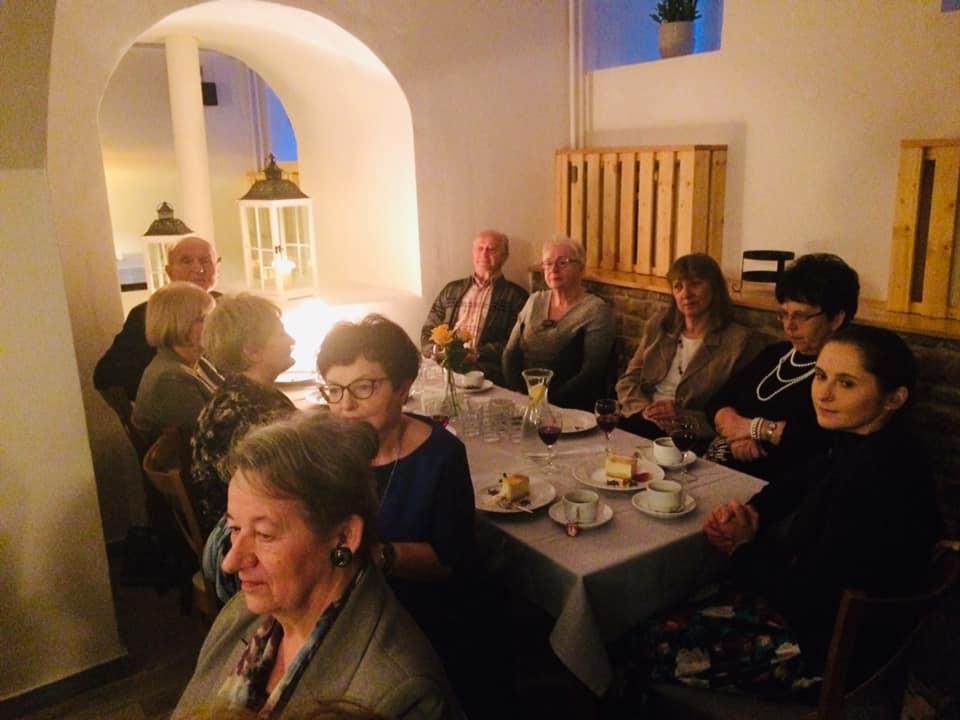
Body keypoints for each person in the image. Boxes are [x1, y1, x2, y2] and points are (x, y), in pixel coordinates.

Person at [631, 326, 941, 699]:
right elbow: (795, 484)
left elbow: (806, 597)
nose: (824, 393)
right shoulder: (859, 440)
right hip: (813, 613)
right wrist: (751, 511)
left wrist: (742, 547)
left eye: (846, 383)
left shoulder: (879, 476)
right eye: (821, 376)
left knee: (640, 639)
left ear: (894, 398)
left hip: (830, 653)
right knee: (658, 602)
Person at [172, 412, 459, 719]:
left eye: (265, 534)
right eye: (234, 528)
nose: (230, 562)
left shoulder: (401, 692)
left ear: (344, 536)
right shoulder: (240, 613)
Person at [316, 315, 496, 716]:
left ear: (403, 387)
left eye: (363, 387)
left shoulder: (441, 455)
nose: (345, 405)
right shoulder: (325, 450)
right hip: (347, 613)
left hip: (426, 615)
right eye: (334, 389)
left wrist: (374, 556)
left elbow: (448, 561)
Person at [704, 253, 860, 481]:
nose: (789, 325)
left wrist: (754, 428)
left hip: (776, 484)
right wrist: (735, 428)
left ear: (836, 318)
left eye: (801, 316)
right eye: (784, 314)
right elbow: (717, 400)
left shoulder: (845, 373)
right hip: (720, 464)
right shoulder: (775, 354)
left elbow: (819, 440)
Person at [616, 254, 765, 441]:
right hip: (643, 420)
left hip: (691, 433)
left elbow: (739, 411)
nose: (686, 294)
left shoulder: (739, 341)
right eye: (678, 286)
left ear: (715, 287)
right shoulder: (660, 325)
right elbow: (628, 381)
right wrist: (644, 410)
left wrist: (680, 415)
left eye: (695, 284)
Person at [191, 294, 297, 536]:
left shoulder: (237, 395)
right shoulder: (251, 414)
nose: (292, 340)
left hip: (244, 527)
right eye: (281, 334)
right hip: (245, 538)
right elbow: (294, 486)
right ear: (253, 352)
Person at [95, 235, 221, 403]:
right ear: (169, 271)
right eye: (186, 261)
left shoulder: (226, 307)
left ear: (217, 268)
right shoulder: (147, 314)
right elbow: (105, 377)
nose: (198, 268)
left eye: (205, 261)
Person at [502, 237, 615, 410]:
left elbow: (591, 371)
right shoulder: (534, 300)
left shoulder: (596, 310)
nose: (553, 269)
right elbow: (510, 353)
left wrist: (546, 401)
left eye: (563, 262)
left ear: (581, 269)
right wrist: (517, 392)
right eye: (548, 263)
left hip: (569, 404)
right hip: (525, 398)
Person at [420, 229, 528, 386]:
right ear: (473, 253)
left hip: (484, 368)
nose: (484, 254)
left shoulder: (516, 296)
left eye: (491, 249)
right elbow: (428, 330)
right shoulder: (451, 290)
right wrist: (434, 351)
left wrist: (477, 354)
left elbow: (516, 343)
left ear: (504, 256)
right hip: (443, 364)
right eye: (480, 248)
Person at [132, 281, 219, 441]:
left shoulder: (197, 362)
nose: (214, 324)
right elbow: (214, 433)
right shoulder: (170, 378)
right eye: (204, 318)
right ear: (179, 324)